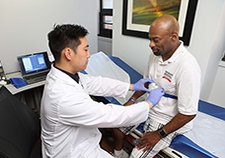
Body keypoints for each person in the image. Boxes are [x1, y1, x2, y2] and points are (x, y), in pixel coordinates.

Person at [40, 24, 164, 158]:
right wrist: (149, 103)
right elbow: (111, 115)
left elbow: (98, 83)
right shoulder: (63, 96)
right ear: (68, 53)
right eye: (85, 50)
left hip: (84, 145)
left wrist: (132, 86)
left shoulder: (68, 74)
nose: (89, 55)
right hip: (71, 153)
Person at [113, 14, 201, 158]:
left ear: (173, 37)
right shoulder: (155, 55)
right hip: (149, 105)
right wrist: (132, 100)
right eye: (150, 39)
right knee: (116, 124)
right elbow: (147, 82)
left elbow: (188, 113)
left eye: (156, 40)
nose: (151, 44)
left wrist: (158, 134)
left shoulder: (188, 67)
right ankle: (118, 154)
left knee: (136, 156)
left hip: (167, 118)